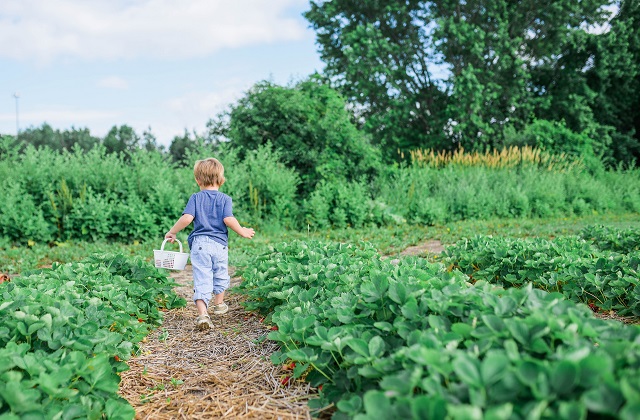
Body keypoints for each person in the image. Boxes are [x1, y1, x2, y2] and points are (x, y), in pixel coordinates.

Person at [165, 157, 255, 330]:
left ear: (198, 180)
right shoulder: (225, 199)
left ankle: (203, 315)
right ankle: (219, 304)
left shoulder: (196, 198)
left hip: (200, 245)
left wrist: (173, 231)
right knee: (221, 273)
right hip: (219, 245)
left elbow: (187, 218)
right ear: (221, 180)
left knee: (202, 278)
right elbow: (228, 219)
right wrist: (242, 231)